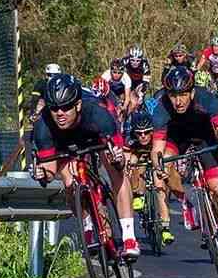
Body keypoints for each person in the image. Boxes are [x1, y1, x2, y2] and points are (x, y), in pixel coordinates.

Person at [32, 74, 140, 260]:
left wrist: (118, 159)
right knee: (68, 183)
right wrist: (41, 174)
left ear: (78, 105)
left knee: (117, 173)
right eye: (54, 108)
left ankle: (129, 238)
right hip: (62, 142)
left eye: (66, 107)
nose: (60, 113)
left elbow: (119, 160)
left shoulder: (98, 113)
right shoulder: (43, 127)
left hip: (95, 134)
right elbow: (48, 174)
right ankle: (87, 223)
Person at [150, 66, 218, 266]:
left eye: (183, 95)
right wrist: (158, 165)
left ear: (192, 92)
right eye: (174, 95)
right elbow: (157, 148)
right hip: (176, 139)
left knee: (216, 188)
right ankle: (185, 200)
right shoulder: (161, 106)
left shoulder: (207, 99)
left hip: (205, 138)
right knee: (165, 165)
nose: (178, 101)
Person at [125, 110, 175, 246]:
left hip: (155, 156)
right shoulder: (130, 139)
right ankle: (138, 195)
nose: (143, 136)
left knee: (160, 186)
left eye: (147, 132)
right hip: (138, 155)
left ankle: (165, 228)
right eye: (139, 133)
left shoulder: (159, 136)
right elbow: (127, 158)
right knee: (133, 165)